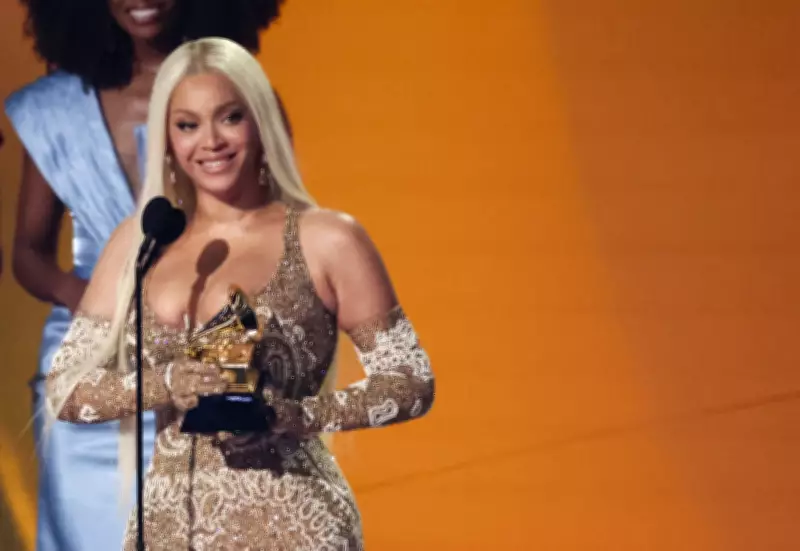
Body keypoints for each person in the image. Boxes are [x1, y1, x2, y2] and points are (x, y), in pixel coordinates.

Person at [44, 37, 435, 550]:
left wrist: (297, 416)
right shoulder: (141, 242)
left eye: (229, 117)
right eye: (187, 125)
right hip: (170, 528)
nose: (211, 141)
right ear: (167, 139)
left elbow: (410, 382)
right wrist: (166, 383)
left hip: (295, 525)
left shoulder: (327, 239)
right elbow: (66, 390)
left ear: (260, 121)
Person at [4, 2, 285, 550]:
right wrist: (92, 303)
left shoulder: (239, 99)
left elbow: (277, 241)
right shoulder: (57, 109)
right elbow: (28, 254)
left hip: (214, 356)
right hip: (93, 375)